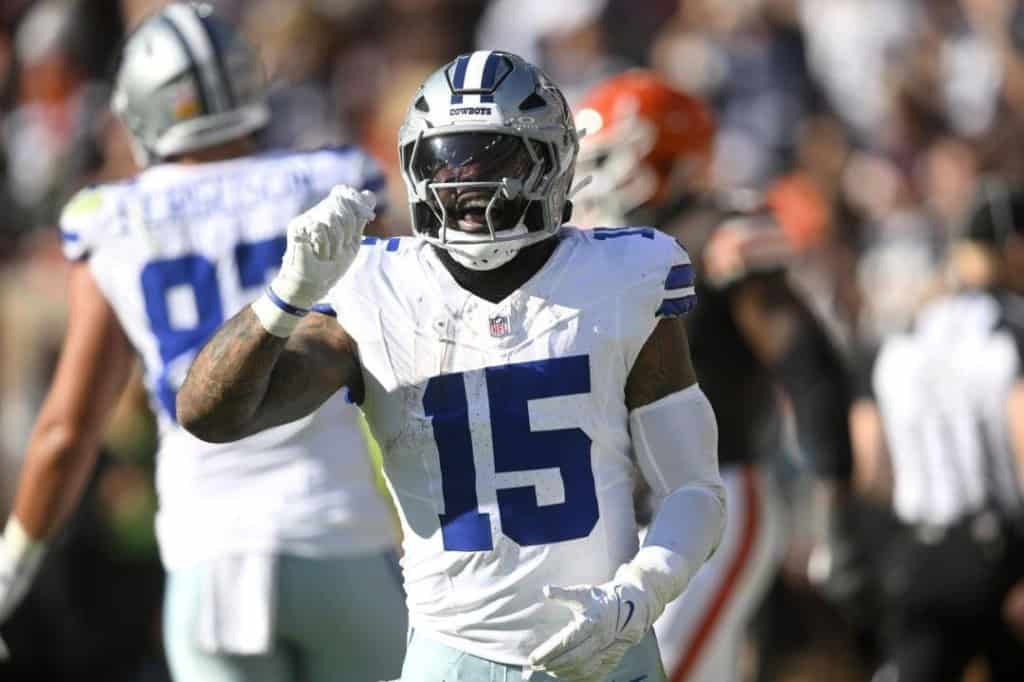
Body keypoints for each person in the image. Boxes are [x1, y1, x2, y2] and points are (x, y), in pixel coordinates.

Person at [176, 50, 727, 682]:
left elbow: (693, 488)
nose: (466, 183)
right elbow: (208, 415)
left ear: (552, 161)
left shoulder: (624, 276)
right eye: (447, 160)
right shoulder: (374, 289)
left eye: (494, 159)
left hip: (608, 643)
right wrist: (284, 296)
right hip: (453, 654)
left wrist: (637, 596)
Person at [0, 4, 406, 681]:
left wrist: (10, 571)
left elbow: (67, 433)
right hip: (339, 536)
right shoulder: (331, 182)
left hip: (209, 554)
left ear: (140, 109)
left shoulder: (114, 218)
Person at [572, 70, 858, 681]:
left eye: (604, 159)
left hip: (716, 492)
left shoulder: (718, 232)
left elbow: (807, 360)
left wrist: (834, 495)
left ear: (660, 156)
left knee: (655, 668)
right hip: (633, 506)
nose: (589, 179)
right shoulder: (595, 255)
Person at [850, 179, 1024, 682]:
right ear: (1013, 248)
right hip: (1002, 552)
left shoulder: (895, 336)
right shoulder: (1012, 329)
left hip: (919, 554)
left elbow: (872, 471)